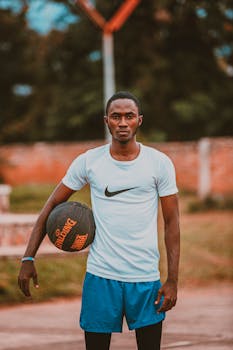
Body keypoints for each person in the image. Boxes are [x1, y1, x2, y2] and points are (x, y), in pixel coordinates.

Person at [18, 91, 180, 350]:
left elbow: (172, 223)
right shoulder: (89, 161)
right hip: (101, 276)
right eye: (116, 116)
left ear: (140, 120)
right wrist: (28, 257)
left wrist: (172, 279)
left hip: (145, 277)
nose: (123, 122)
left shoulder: (159, 163)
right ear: (107, 121)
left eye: (129, 116)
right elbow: (51, 206)